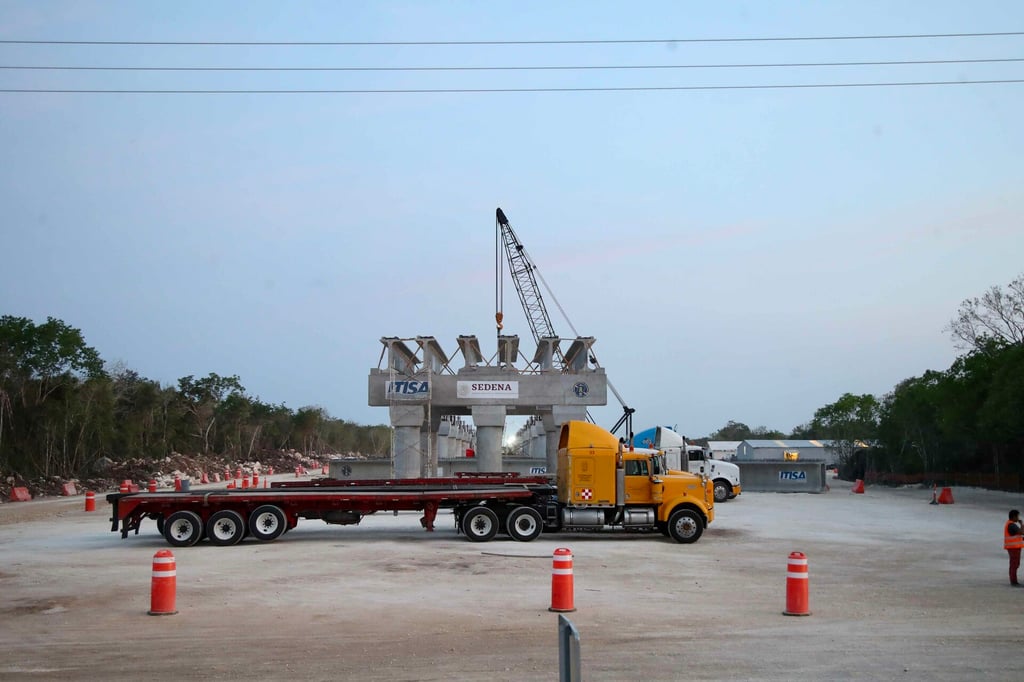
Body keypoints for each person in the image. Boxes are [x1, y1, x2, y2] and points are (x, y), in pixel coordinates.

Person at [1004, 509, 1023, 586]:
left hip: (1014, 547)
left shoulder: (1010, 524)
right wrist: (1022, 524)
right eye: (1017, 516)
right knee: (1014, 564)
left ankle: (1013, 580)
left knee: (1014, 564)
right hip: (1013, 548)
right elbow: (1021, 532)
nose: (1018, 518)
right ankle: (1014, 581)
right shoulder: (1011, 525)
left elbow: (1019, 534)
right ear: (1014, 516)